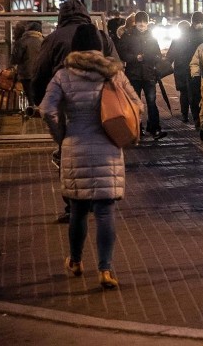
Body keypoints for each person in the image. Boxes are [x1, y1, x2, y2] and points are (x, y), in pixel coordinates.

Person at [38, 23, 142, 290]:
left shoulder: (63, 76)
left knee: (78, 211)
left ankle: (75, 261)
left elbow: (46, 110)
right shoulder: (113, 75)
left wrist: (61, 135)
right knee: (106, 210)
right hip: (108, 146)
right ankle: (105, 269)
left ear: (75, 48)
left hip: (75, 147)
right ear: (99, 46)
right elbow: (137, 105)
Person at [31, 0, 118, 224]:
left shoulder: (53, 39)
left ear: (61, 16)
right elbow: (116, 67)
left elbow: (39, 74)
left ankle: (74, 204)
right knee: (100, 150)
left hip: (66, 106)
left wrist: (40, 101)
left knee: (69, 154)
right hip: (100, 105)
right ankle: (100, 199)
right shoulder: (101, 36)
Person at [118, 11, 167, 140]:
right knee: (135, 102)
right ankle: (136, 128)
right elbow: (122, 53)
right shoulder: (128, 36)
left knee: (151, 102)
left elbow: (157, 53)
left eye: (144, 22)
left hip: (149, 73)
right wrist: (135, 58)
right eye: (140, 22)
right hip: (134, 74)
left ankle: (154, 128)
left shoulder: (151, 36)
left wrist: (153, 59)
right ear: (135, 23)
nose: (142, 25)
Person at [181, 12, 203, 129]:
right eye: (196, 22)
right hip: (192, 69)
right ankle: (197, 118)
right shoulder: (187, 34)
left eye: (200, 23)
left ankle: (201, 117)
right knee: (194, 95)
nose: (198, 25)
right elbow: (182, 51)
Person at [12, 20, 44, 113]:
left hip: (26, 73)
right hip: (39, 73)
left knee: (29, 95)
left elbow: (15, 59)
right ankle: (38, 112)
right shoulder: (44, 40)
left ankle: (31, 110)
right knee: (38, 94)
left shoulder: (22, 41)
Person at [164, 20, 193, 122]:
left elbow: (170, 55)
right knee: (193, 93)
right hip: (192, 70)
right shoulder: (192, 39)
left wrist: (163, 66)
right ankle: (195, 114)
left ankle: (184, 114)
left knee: (184, 93)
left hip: (180, 70)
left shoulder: (177, 40)